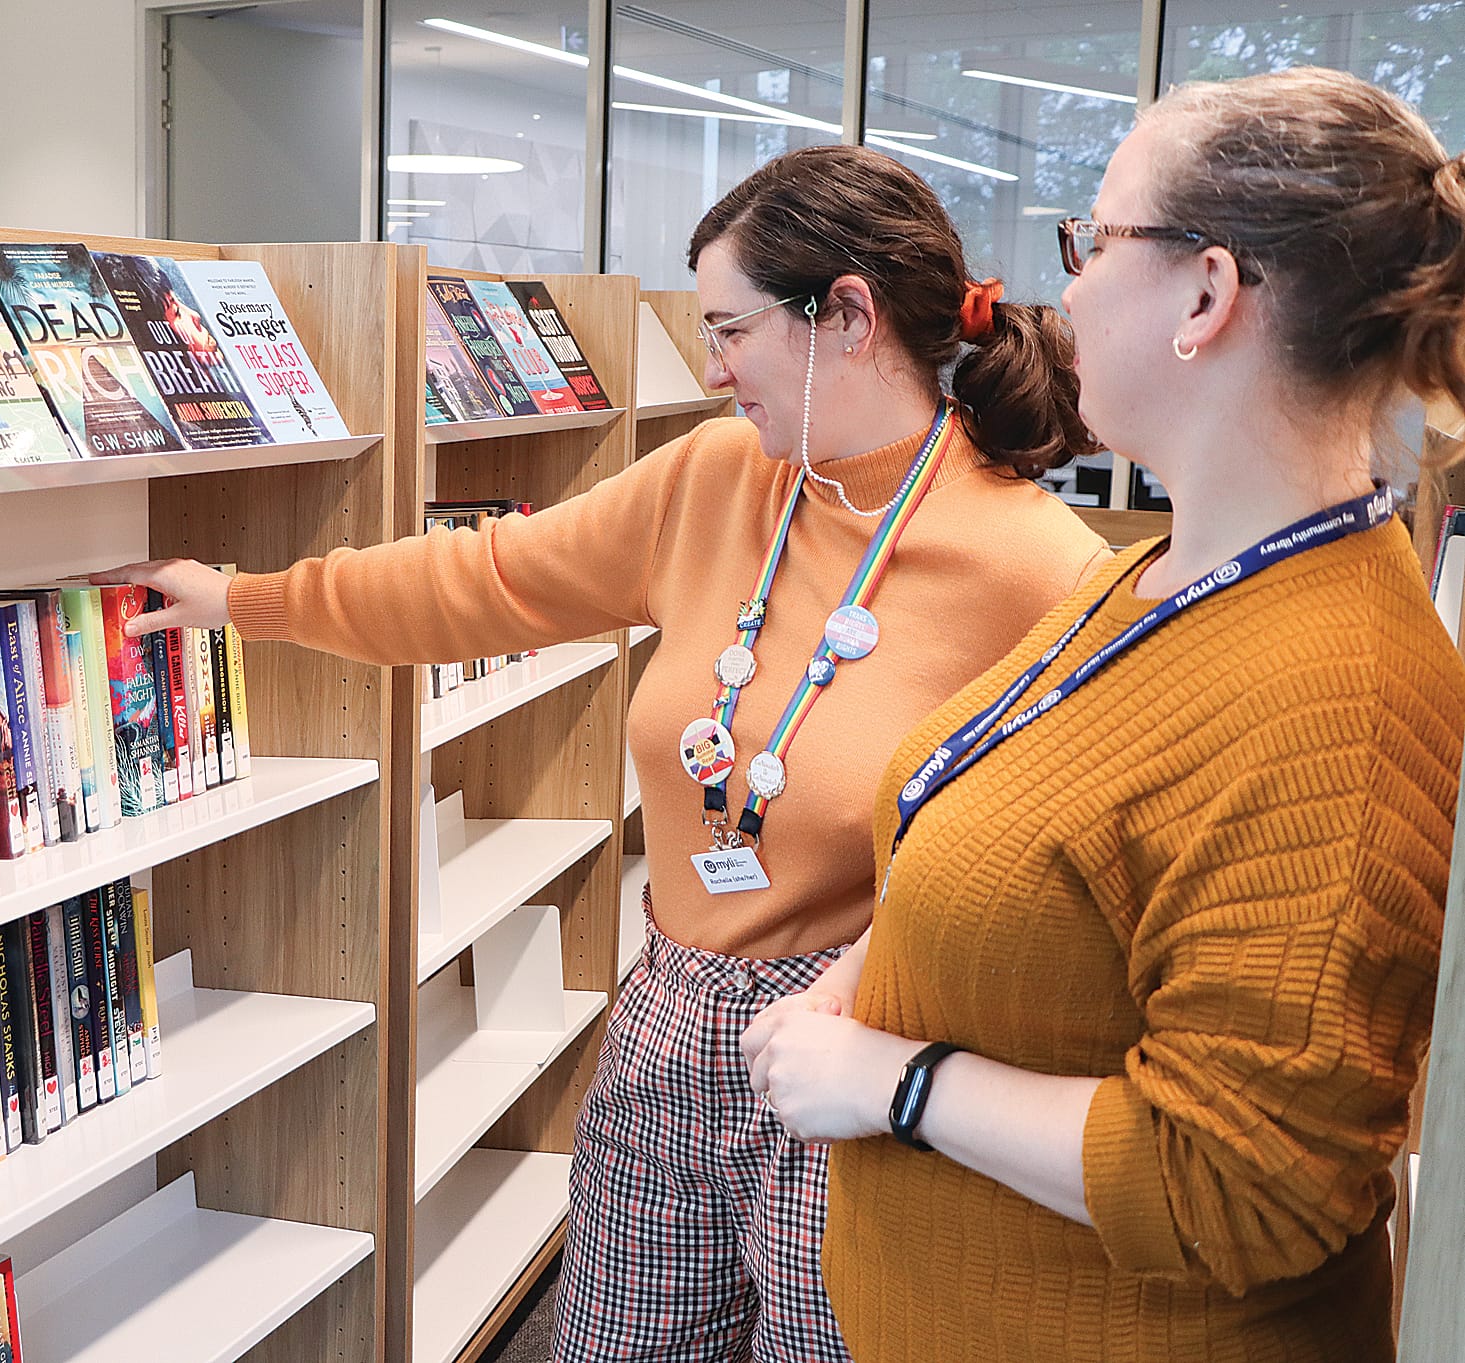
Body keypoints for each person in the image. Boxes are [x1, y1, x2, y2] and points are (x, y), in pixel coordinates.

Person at [94, 144, 1110, 1362]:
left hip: (857, 1045)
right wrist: (250, 598)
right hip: (667, 1010)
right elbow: (489, 580)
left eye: (731, 329)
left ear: (846, 314)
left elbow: (1049, 882)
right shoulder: (720, 478)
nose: (713, 363)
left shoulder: (1042, 572)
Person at [742, 68, 1465, 1363]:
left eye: (1092, 239)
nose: (1060, 287)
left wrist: (893, 1083)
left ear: (1205, 293)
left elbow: (1242, 1179)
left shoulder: (1335, 698)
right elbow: (1012, 818)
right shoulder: (1165, 569)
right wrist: (867, 978)